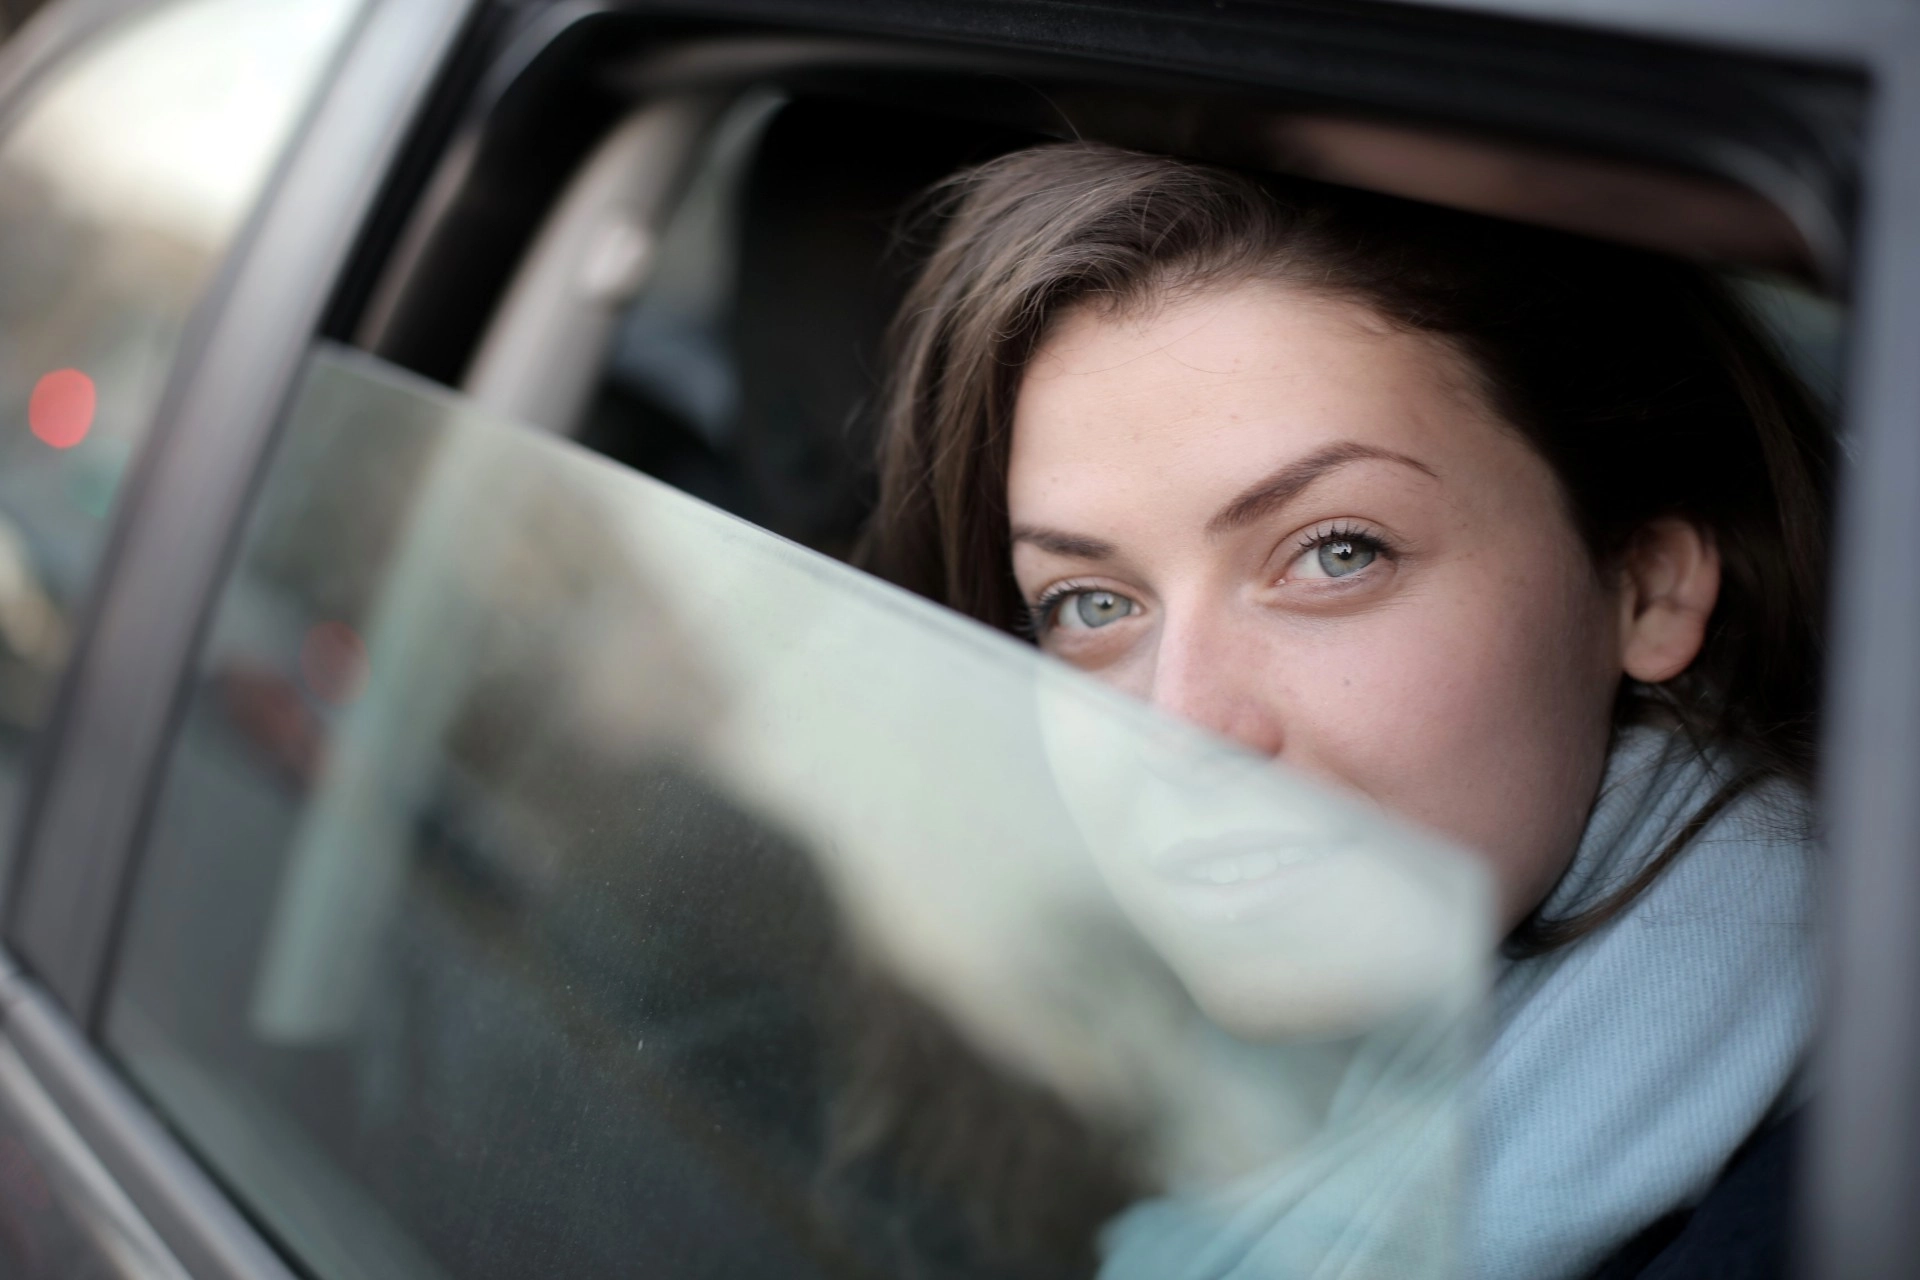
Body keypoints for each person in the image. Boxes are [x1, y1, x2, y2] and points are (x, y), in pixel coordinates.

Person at [857, 142, 1828, 1279]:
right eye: (1091, 603)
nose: (1182, 725)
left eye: (1336, 552)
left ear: (1645, 587)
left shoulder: (1829, 1199)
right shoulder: (1011, 1073)